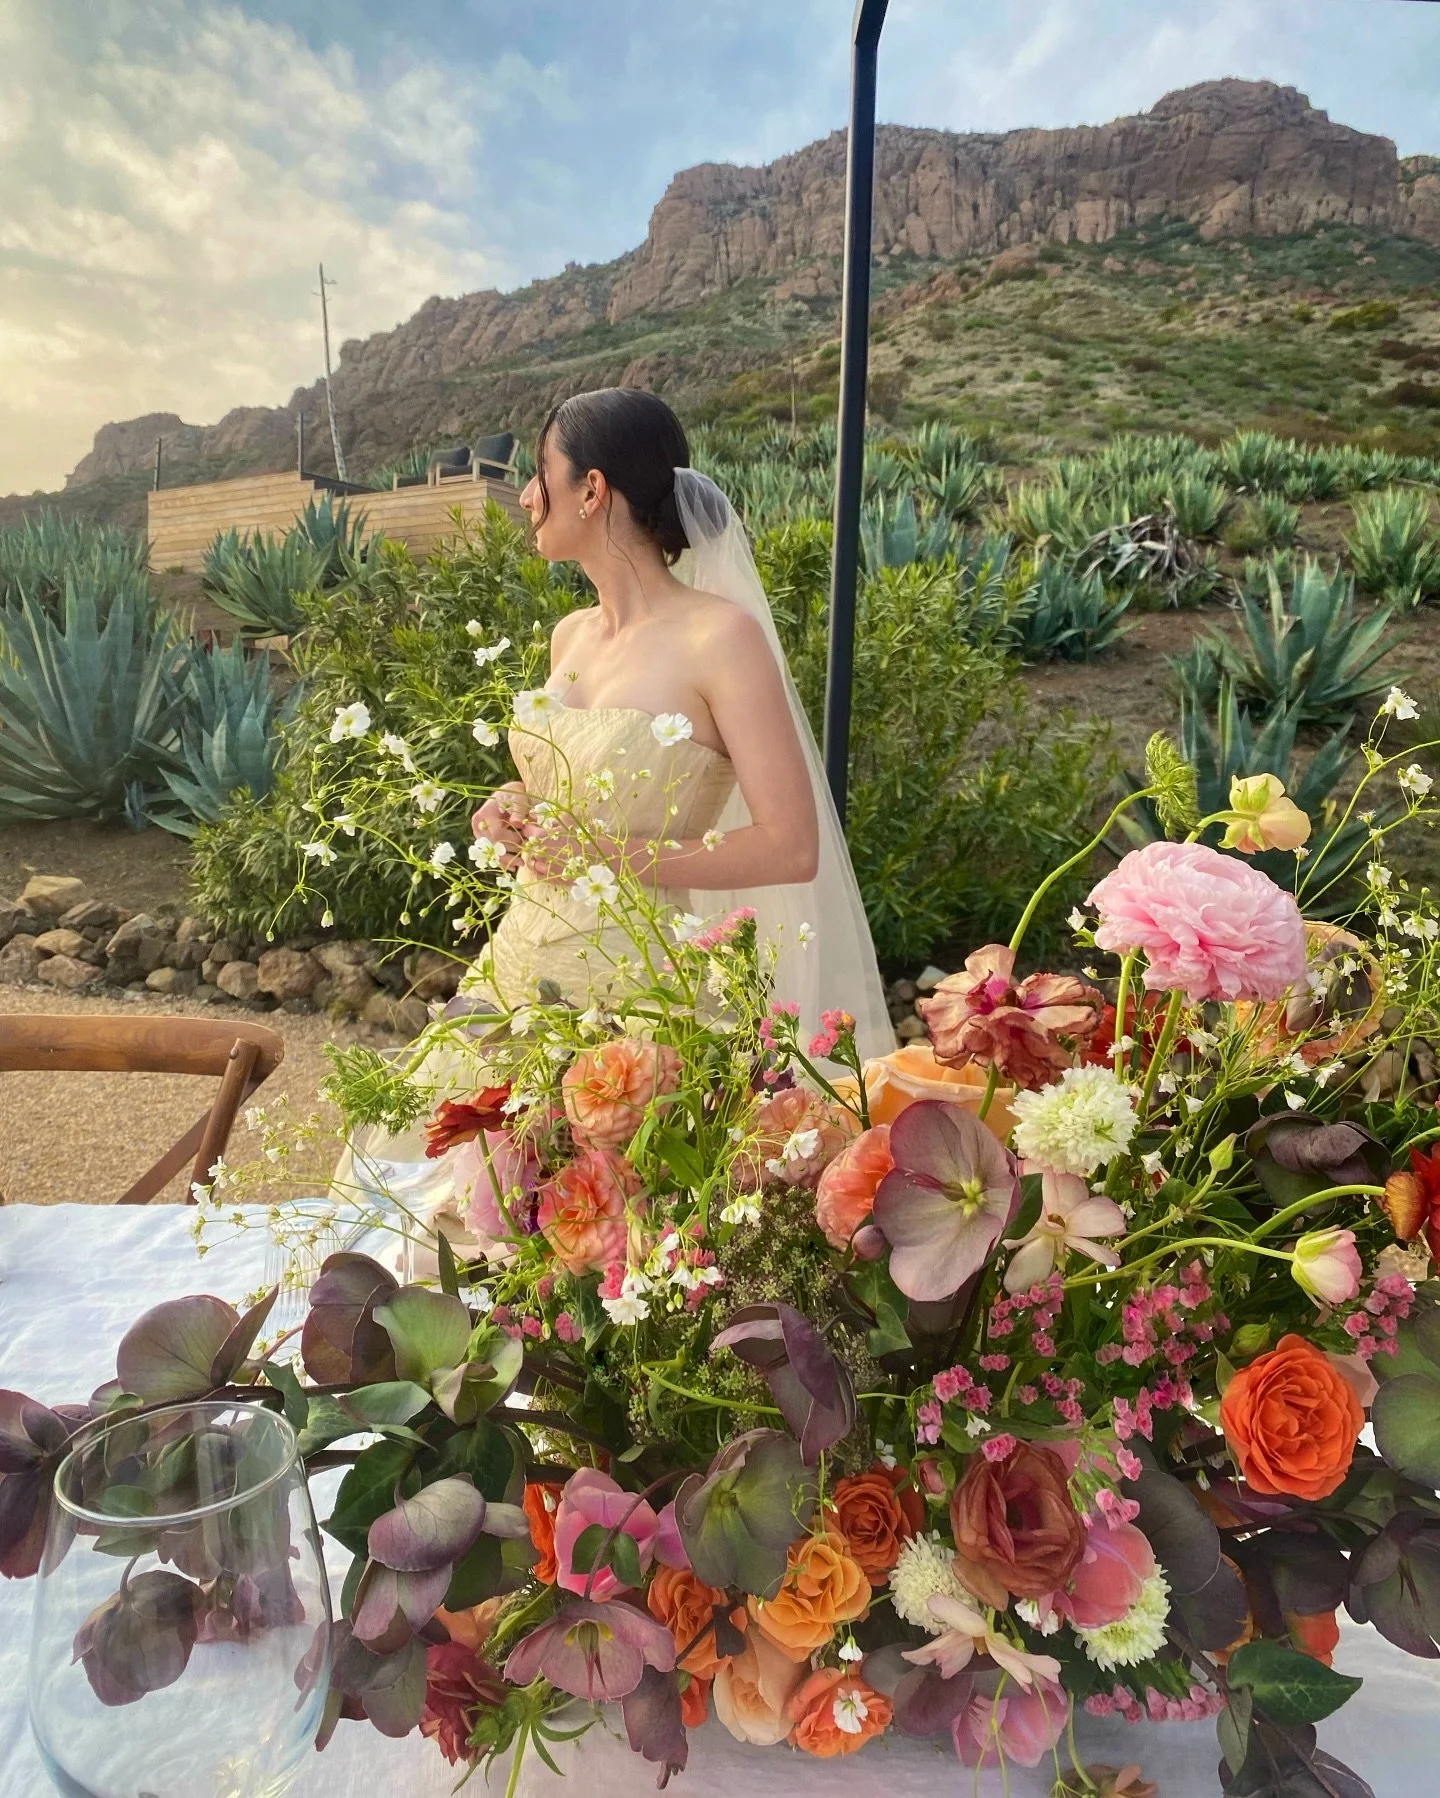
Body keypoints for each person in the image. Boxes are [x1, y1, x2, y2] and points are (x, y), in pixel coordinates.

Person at [464, 386, 893, 1061]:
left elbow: (791, 847)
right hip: (515, 963)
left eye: (541, 472)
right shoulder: (568, 636)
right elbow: (572, 790)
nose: (524, 496)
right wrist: (511, 804)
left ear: (592, 489)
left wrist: (603, 856)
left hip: (637, 996)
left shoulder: (720, 639)